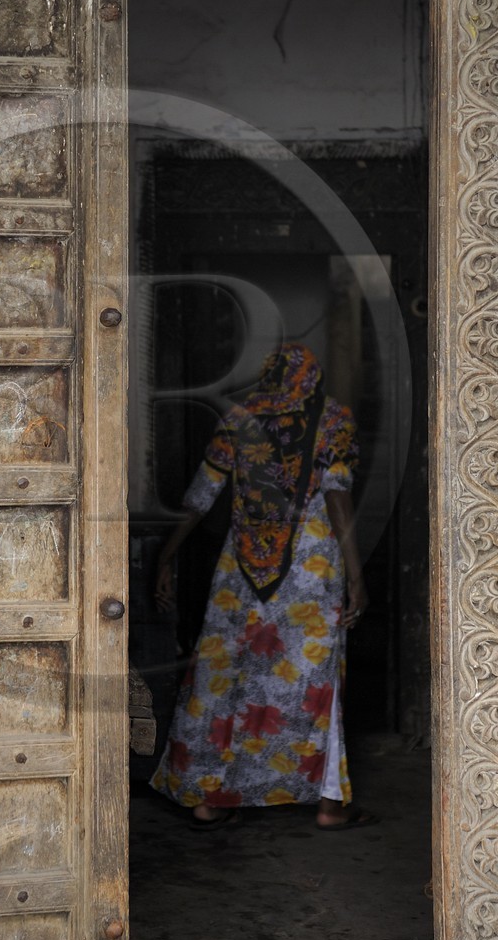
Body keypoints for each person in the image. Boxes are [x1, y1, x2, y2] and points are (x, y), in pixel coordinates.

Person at [150, 341, 376, 830]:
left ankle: (213, 799)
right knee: (314, 680)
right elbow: (337, 499)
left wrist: (166, 557)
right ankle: (328, 805)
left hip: (240, 570)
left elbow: (202, 494)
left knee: (228, 676)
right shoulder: (332, 419)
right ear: (312, 378)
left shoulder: (239, 419)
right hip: (310, 569)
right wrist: (357, 577)